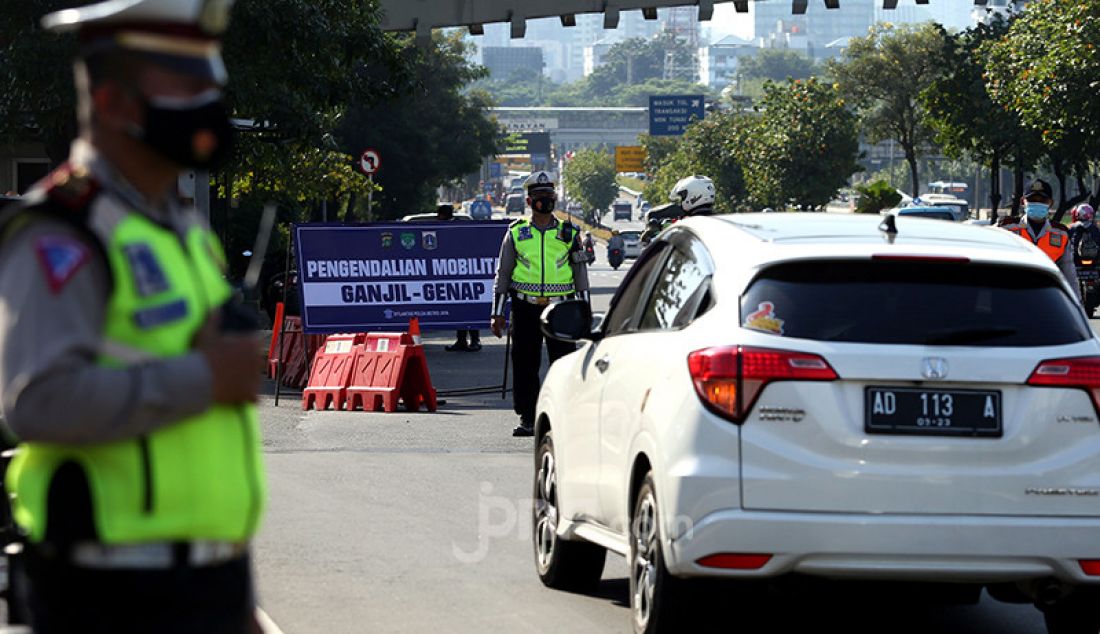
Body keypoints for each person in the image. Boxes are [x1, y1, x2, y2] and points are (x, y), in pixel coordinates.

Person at [0, 1, 266, 631]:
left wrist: (236, 599)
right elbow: (35, 402)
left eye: (212, 80)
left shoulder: (180, 230)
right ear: (116, 102)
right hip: (110, 595)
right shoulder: (62, 234)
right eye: (187, 83)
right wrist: (206, 379)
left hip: (207, 584)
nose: (210, 100)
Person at [490, 171, 589, 437]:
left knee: (565, 364)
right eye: (539, 197)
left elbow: (580, 273)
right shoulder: (516, 232)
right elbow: (503, 274)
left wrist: (584, 310)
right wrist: (497, 313)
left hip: (562, 309)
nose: (545, 201)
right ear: (529, 201)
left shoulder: (569, 233)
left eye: (549, 196)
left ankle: (565, 417)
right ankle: (528, 417)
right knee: (525, 363)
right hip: (525, 307)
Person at [1000, 178, 1080, 299]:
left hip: (1046, 299)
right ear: (1023, 201)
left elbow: (1069, 274)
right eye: (1032, 200)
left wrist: (1077, 306)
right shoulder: (1006, 229)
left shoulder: (1060, 234)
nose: (1037, 203)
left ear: (1050, 203)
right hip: (1012, 296)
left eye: (1042, 200)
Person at [438, 203, 482, 352]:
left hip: (464, 274)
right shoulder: (459, 226)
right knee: (461, 310)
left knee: (468, 309)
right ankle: (462, 340)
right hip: (454, 274)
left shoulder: (452, 228)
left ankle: (474, 340)